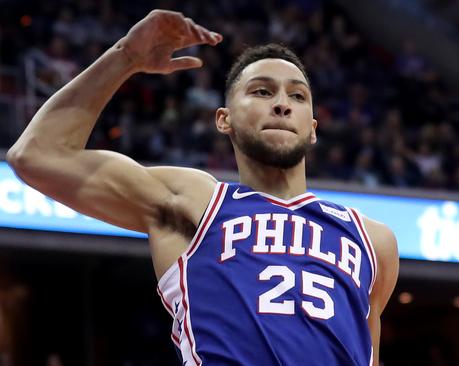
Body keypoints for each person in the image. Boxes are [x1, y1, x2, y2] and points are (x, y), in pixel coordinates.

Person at [7, 10, 399, 366]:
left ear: (313, 128)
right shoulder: (195, 201)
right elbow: (36, 155)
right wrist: (125, 56)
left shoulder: (373, 240)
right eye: (262, 91)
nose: (282, 104)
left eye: (297, 96)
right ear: (223, 120)